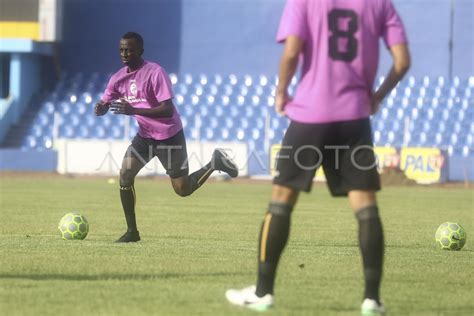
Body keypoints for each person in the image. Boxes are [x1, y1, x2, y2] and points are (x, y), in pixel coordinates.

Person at [226, 0, 410, 314]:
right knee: (366, 209)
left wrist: (282, 91)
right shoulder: (380, 4)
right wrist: (376, 98)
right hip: (354, 118)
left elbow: (293, 52)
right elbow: (403, 61)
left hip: (310, 116)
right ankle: (372, 299)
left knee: (281, 202)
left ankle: (263, 293)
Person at [95, 32, 239, 243]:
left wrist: (133, 109)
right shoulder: (118, 78)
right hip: (145, 137)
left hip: (169, 135)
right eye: (121, 49)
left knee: (183, 190)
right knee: (125, 174)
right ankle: (132, 232)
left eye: (129, 49)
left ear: (141, 50)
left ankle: (215, 162)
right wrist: (101, 108)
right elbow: (105, 101)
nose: (124, 53)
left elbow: (167, 110)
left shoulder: (155, 72)